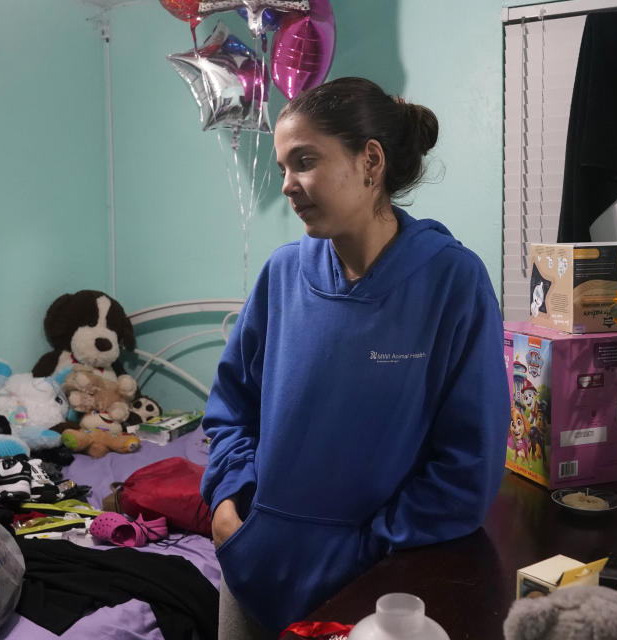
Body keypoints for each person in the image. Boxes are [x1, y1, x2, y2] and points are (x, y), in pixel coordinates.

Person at [200, 76, 509, 637]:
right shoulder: (282, 275)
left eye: (306, 161)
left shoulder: (451, 283)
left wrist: (372, 546)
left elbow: (468, 463)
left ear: (370, 162)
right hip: (250, 566)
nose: (288, 185)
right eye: (283, 168)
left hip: (369, 588)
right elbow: (231, 407)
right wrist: (228, 499)